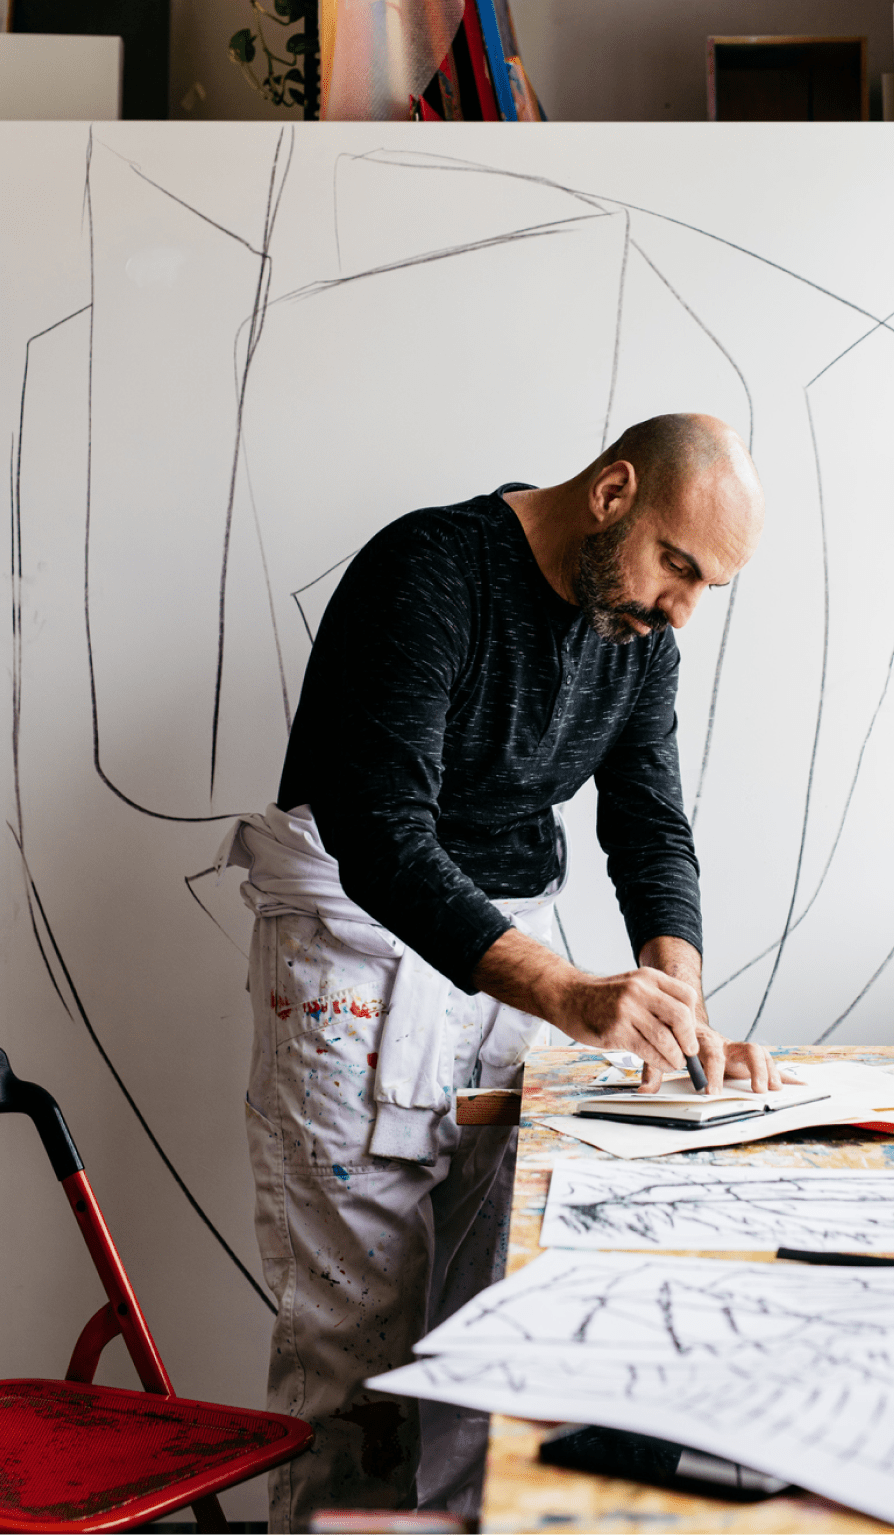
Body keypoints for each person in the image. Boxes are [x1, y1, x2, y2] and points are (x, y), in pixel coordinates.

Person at [218, 412, 790, 1530]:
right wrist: (571, 993)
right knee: (356, 1366)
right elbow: (380, 833)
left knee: (494, 1329)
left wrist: (679, 1003)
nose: (681, 608)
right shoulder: (427, 570)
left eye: (707, 587)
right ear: (614, 491)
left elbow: (648, 824)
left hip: (503, 976)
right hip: (350, 965)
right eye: (678, 566)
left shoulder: (634, 637)